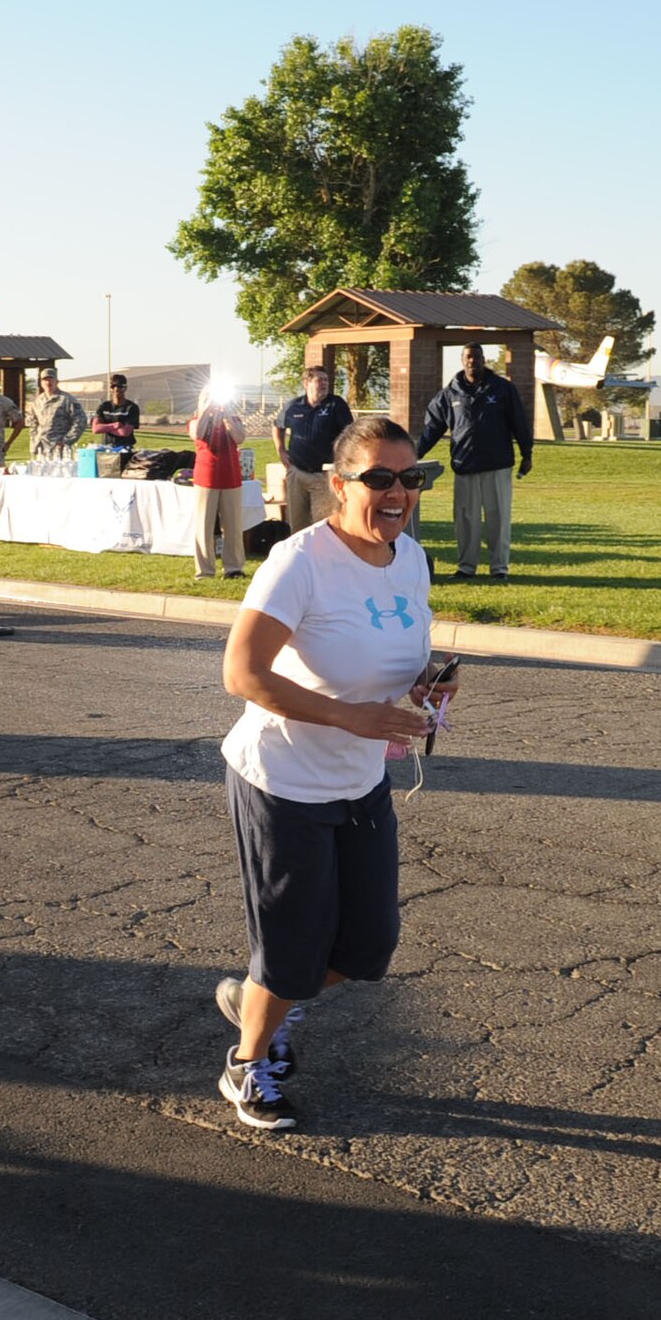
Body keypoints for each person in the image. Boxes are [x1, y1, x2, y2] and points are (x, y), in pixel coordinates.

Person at [214, 415, 452, 1129]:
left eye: (412, 479)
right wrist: (352, 719)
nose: (398, 492)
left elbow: (393, 657)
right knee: (292, 947)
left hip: (360, 780)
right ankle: (249, 1062)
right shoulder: (300, 561)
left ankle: (262, 996)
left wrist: (425, 688)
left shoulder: (410, 558)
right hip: (282, 781)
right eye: (380, 478)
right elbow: (242, 672)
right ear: (339, 485)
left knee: (368, 947)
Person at [415, 342, 533, 579]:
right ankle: (466, 568)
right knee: (466, 520)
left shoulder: (502, 389)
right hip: (465, 466)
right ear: (462, 360)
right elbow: (431, 429)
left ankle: (499, 568)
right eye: (468, 357)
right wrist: (413, 455)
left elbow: (519, 422)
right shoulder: (449, 394)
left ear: (483, 360)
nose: (472, 361)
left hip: (497, 465)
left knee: (497, 519)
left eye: (477, 357)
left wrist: (526, 453)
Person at [275, 365, 353, 533]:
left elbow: (350, 434)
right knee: (297, 525)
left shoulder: (335, 405)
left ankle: (326, 558)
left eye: (326, 380)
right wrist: (280, 449)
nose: (324, 383)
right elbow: (277, 426)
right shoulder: (293, 406)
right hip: (297, 473)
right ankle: (301, 558)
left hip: (324, 475)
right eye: (319, 380)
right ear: (306, 383)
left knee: (325, 526)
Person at [188, 387, 248, 579]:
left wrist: (227, 415)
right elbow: (197, 434)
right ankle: (205, 570)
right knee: (203, 525)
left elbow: (239, 437)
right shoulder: (196, 419)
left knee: (233, 526)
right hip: (206, 477)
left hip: (231, 477)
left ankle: (234, 567)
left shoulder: (233, 419)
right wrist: (206, 409)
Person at [27, 367, 88, 460]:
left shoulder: (67, 399)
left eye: (50, 379)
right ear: (41, 383)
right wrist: (35, 441)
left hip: (59, 448)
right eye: (45, 380)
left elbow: (81, 421)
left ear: (56, 381)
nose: (48, 383)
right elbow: (32, 423)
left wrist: (66, 441)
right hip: (42, 448)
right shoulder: (38, 401)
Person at [93, 372, 141, 448]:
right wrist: (114, 425)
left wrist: (105, 428)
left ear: (125, 388)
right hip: (106, 447)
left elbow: (125, 432)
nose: (116, 389)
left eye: (119, 386)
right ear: (110, 388)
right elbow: (96, 429)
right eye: (113, 386)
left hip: (125, 447)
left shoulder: (132, 407)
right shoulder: (104, 406)